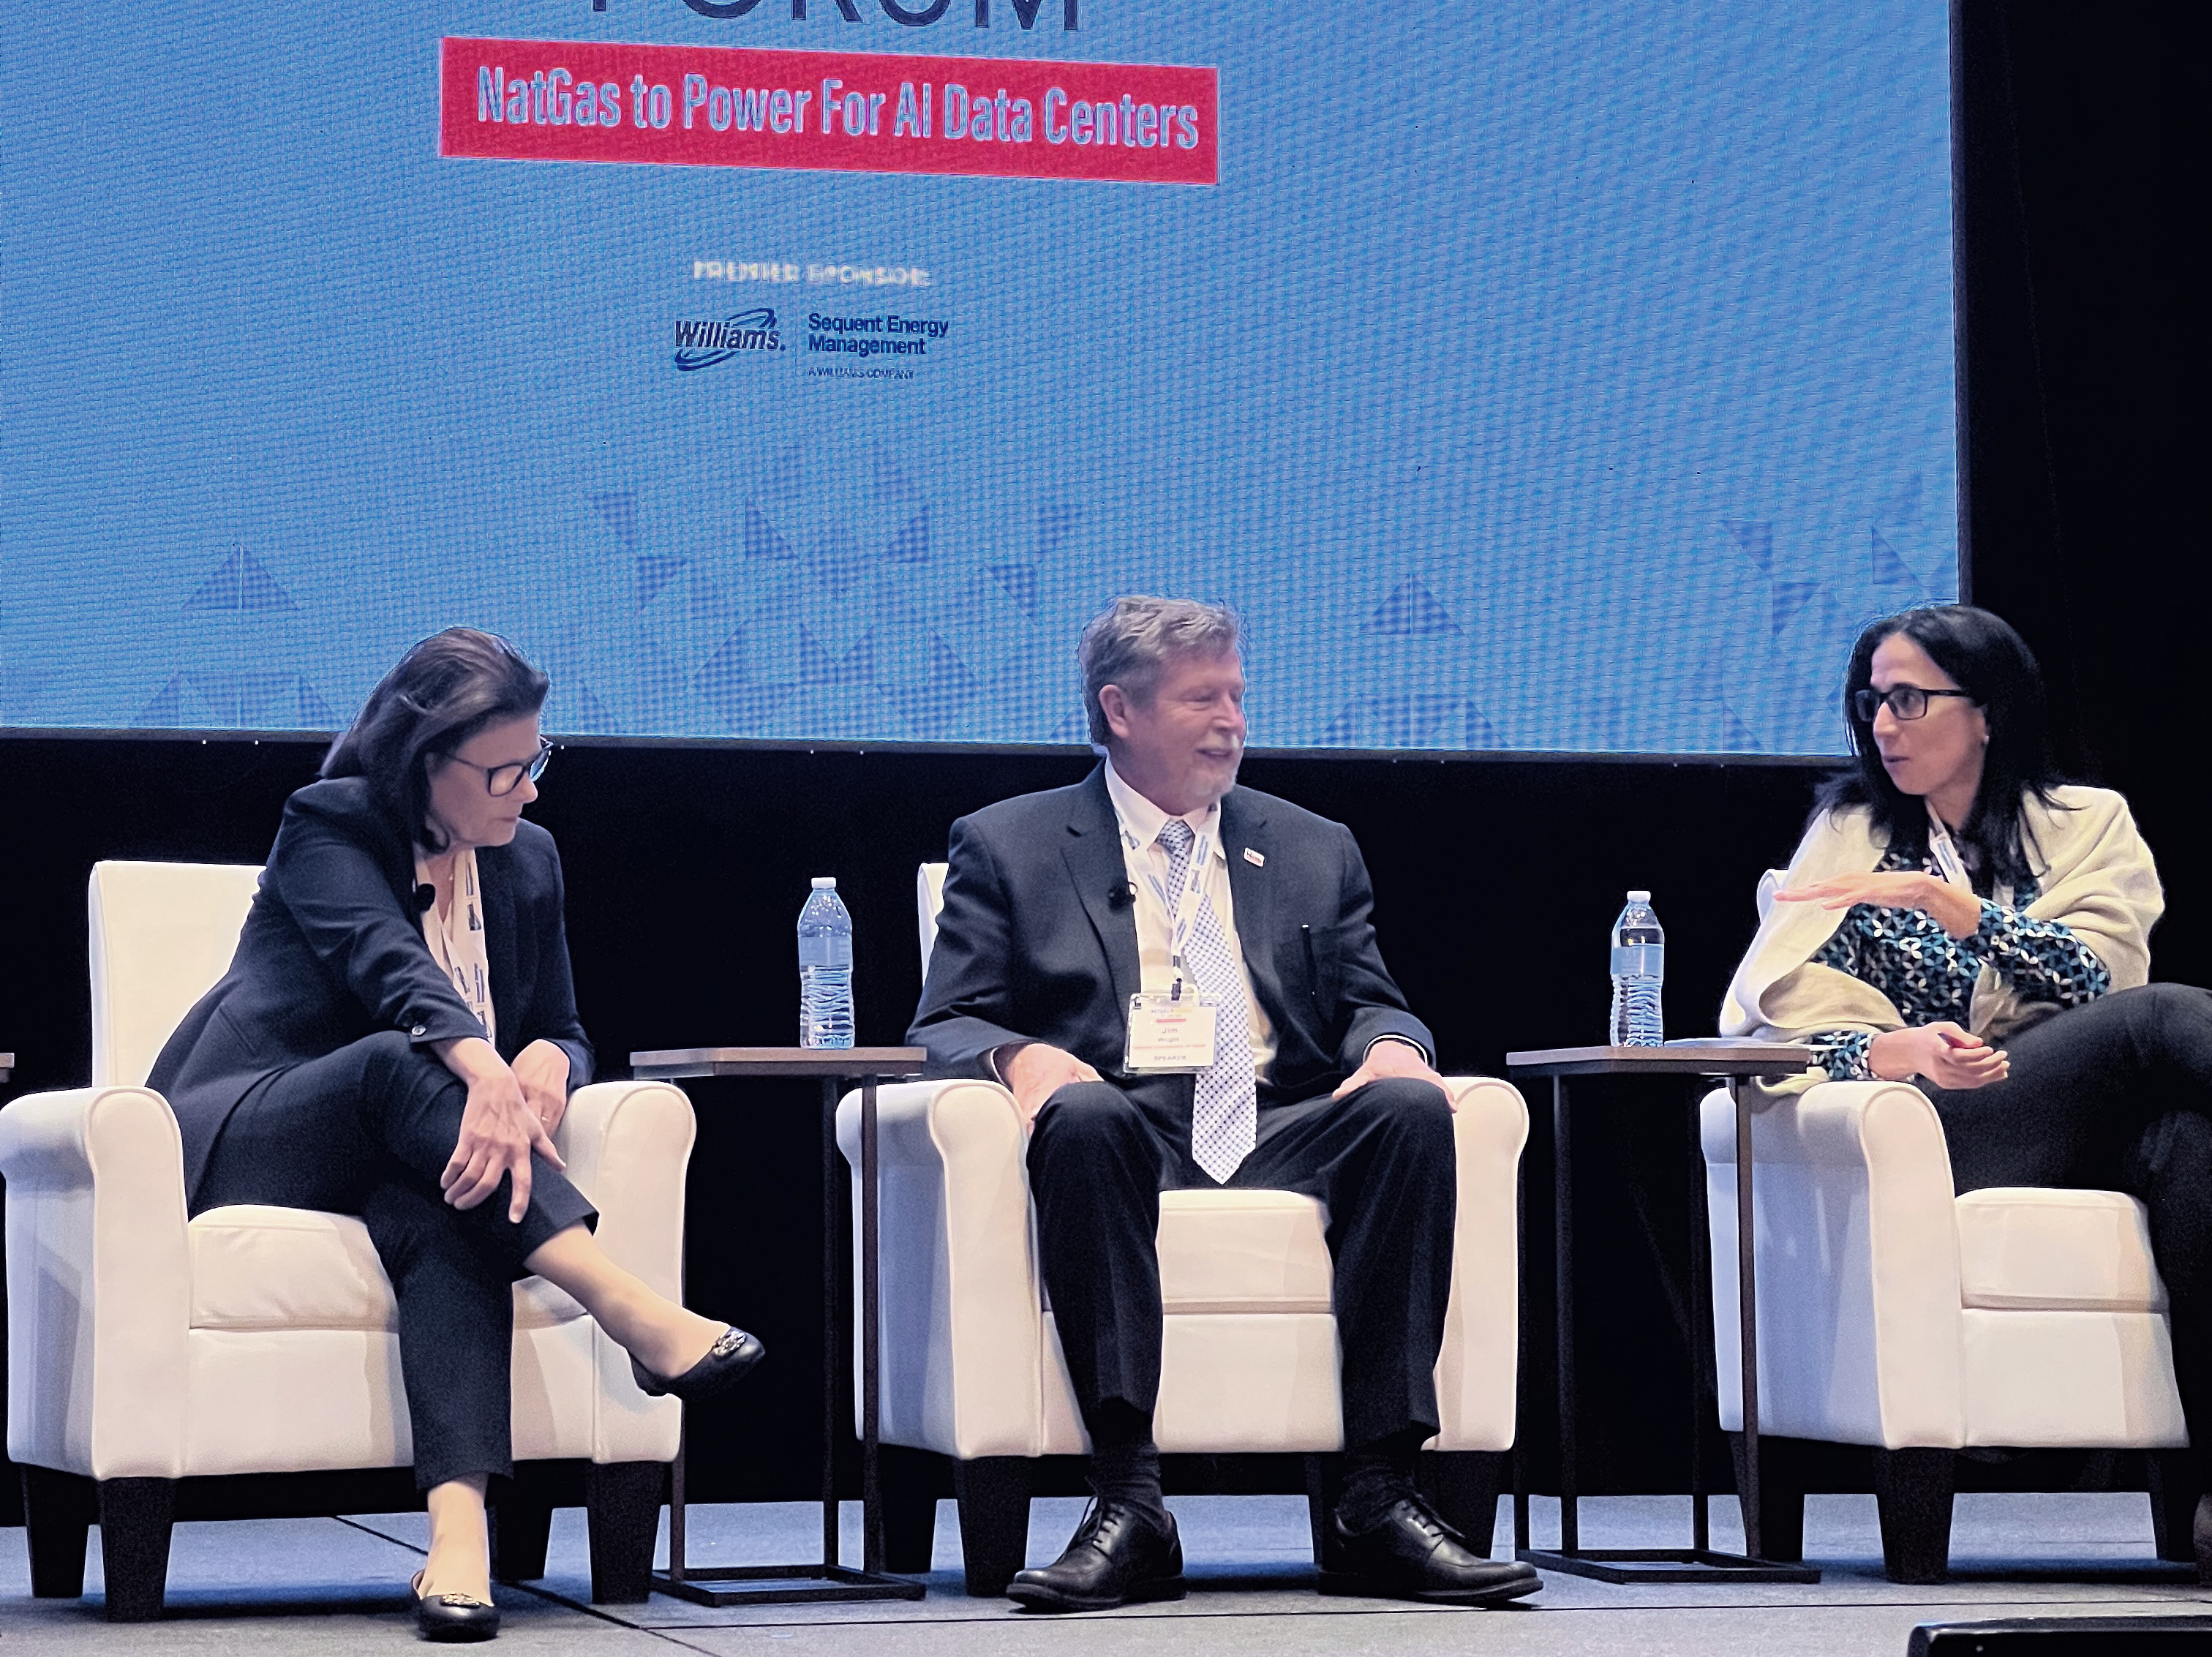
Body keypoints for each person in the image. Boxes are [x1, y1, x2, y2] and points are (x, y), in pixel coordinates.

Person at [909, 595, 1540, 1614]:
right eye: (1202, 699)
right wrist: (1021, 1057)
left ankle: (1377, 1499)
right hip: (1121, 1120)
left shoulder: (1312, 844)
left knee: (1412, 1112)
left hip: (1278, 1118)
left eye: (1237, 697)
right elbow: (944, 1022)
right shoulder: (1009, 843)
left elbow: (1372, 1000)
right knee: (1085, 1119)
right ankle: (1131, 1504)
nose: (1232, 722)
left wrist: (1391, 1047)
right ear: (1119, 710)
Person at [148, 629, 762, 1643]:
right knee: (399, 1064)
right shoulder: (330, 823)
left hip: (405, 1152)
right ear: (424, 760)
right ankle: (627, 1305)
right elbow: (391, 971)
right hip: (251, 1125)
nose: (529, 790)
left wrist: (549, 1063)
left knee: (456, 1204)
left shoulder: (530, 860)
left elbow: (563, 1022)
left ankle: (459, 1538)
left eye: (537, 760)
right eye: (503, 771)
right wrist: (485, 1067)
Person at [1720, 604, 2212, 1573]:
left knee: (2195, 1148)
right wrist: (1889, 1052)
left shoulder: (2086, 825)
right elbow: (1766, 1020)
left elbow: (2095, 981)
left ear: (1985, 711)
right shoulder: (1852, 834)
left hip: (2077, 1107)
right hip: (1938, 1126)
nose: (1884, 725)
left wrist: (1968, 915)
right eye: (1871, 703)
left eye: (1909, 699)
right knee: (2162, 1020)